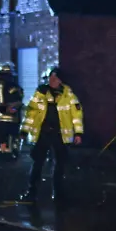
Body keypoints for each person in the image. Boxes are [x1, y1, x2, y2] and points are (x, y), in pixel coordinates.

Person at [19, 67, 83, 203]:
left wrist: (78, 133)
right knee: (37, 164)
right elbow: (31, 113)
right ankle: (31, 192)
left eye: (55, 78)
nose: (52, 80)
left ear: (61, 80)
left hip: (60, 135)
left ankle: (59, 194)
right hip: (43, 134)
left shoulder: (68, 94)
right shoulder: (41, 92)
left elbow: (76, 115)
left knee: (60, 165)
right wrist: (24, 130)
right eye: (50, 77)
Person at [0, 63, 24, 159]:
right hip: (11, 119)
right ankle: (10, 155)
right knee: (12, 139)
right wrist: (12, 109)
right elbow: (18, 102)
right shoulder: (14, 87)